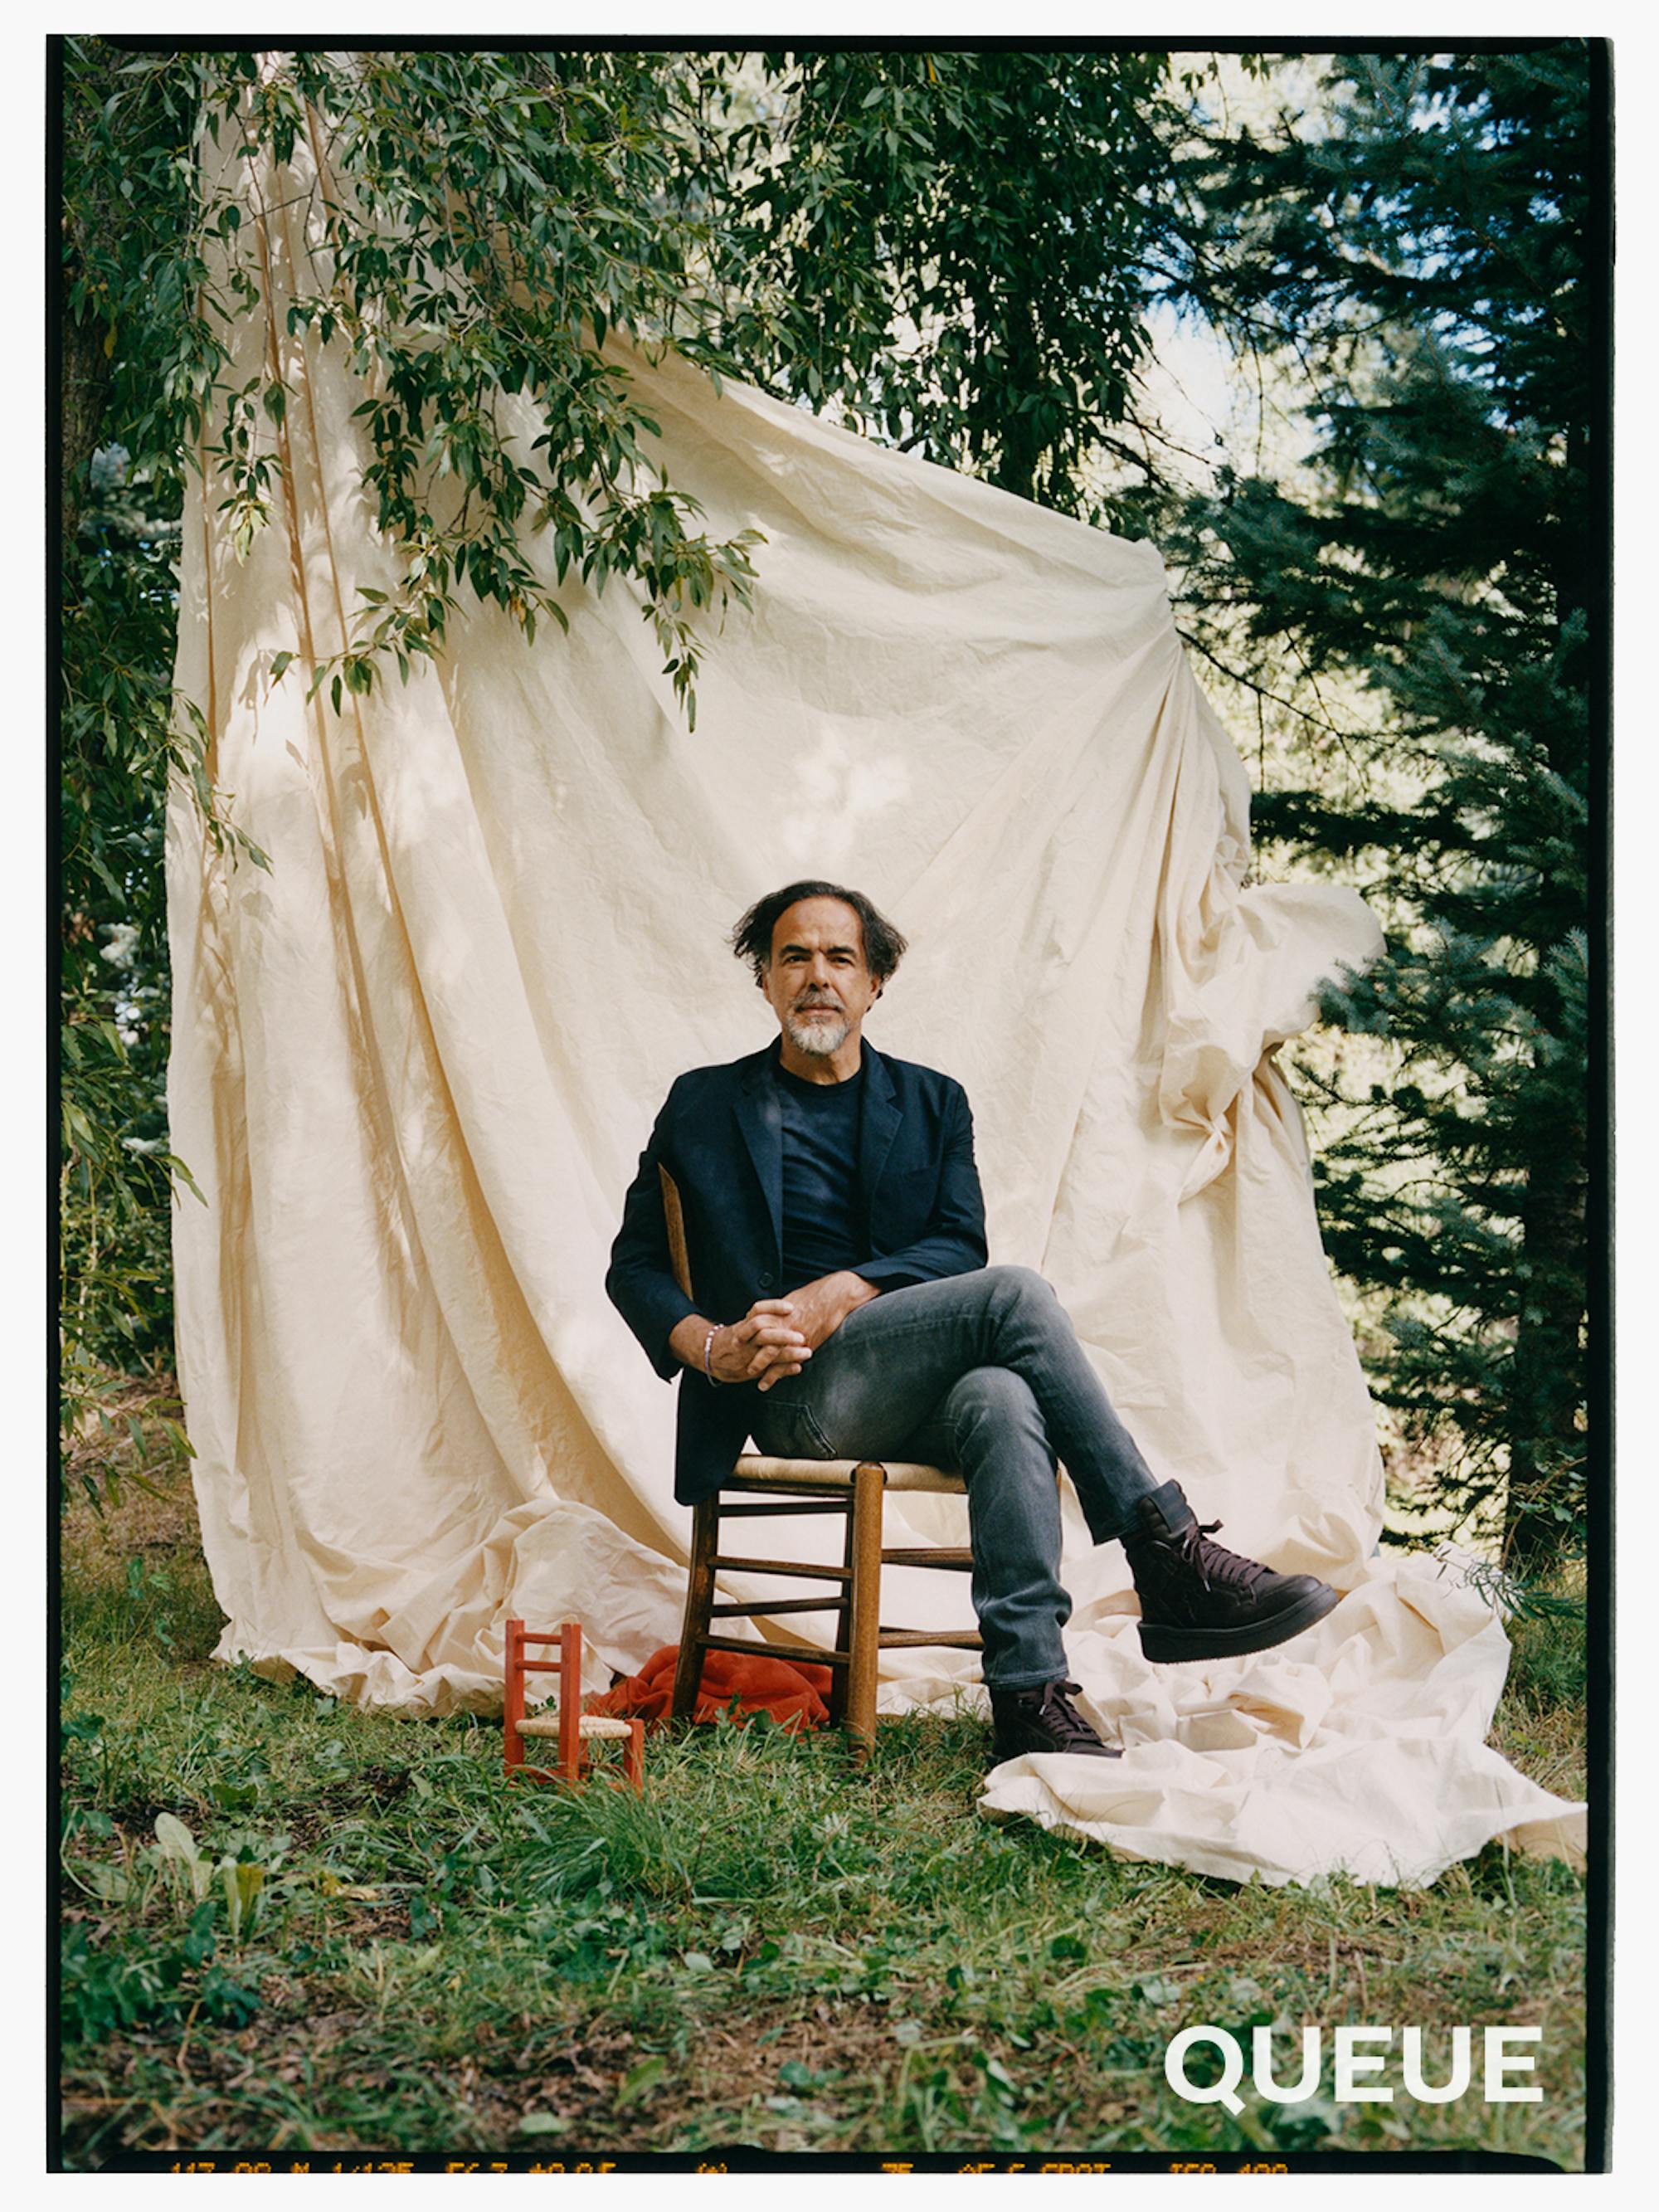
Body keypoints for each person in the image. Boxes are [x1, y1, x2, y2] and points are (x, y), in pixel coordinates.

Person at [607, 880, 1340, 1763]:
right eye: (792, 955)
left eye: (840, 956)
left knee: (999, 1393)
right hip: (788, 1391)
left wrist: (839, 1288)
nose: (816, 975)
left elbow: (956, 1243)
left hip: (899, 1383)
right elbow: (636, 1265)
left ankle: (1027, 1692)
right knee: (1016, 1295)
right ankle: (1166, 1554)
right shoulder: (702, 1102)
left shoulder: (932, 1102)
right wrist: (713, 1346)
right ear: (762, 979)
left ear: (875, 981)